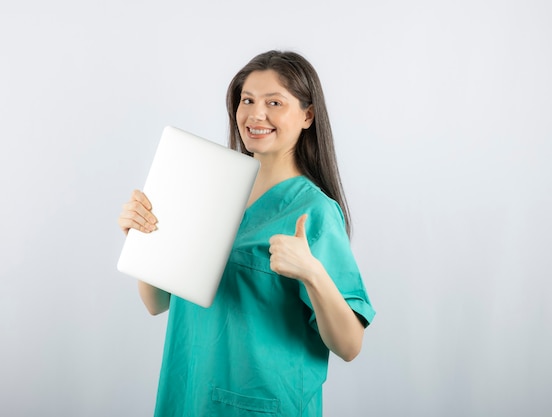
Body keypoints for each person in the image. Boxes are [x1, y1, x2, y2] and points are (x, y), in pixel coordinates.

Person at [118, 50, 375, 417]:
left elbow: (350, 345)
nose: (256, 114)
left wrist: (312, 273)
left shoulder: (314, 212)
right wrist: (142, 238)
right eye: (247, 100)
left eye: (274, 102)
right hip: (188, 395)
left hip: (262, 404)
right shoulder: (204, 188)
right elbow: (156, 303)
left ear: (307, 115)